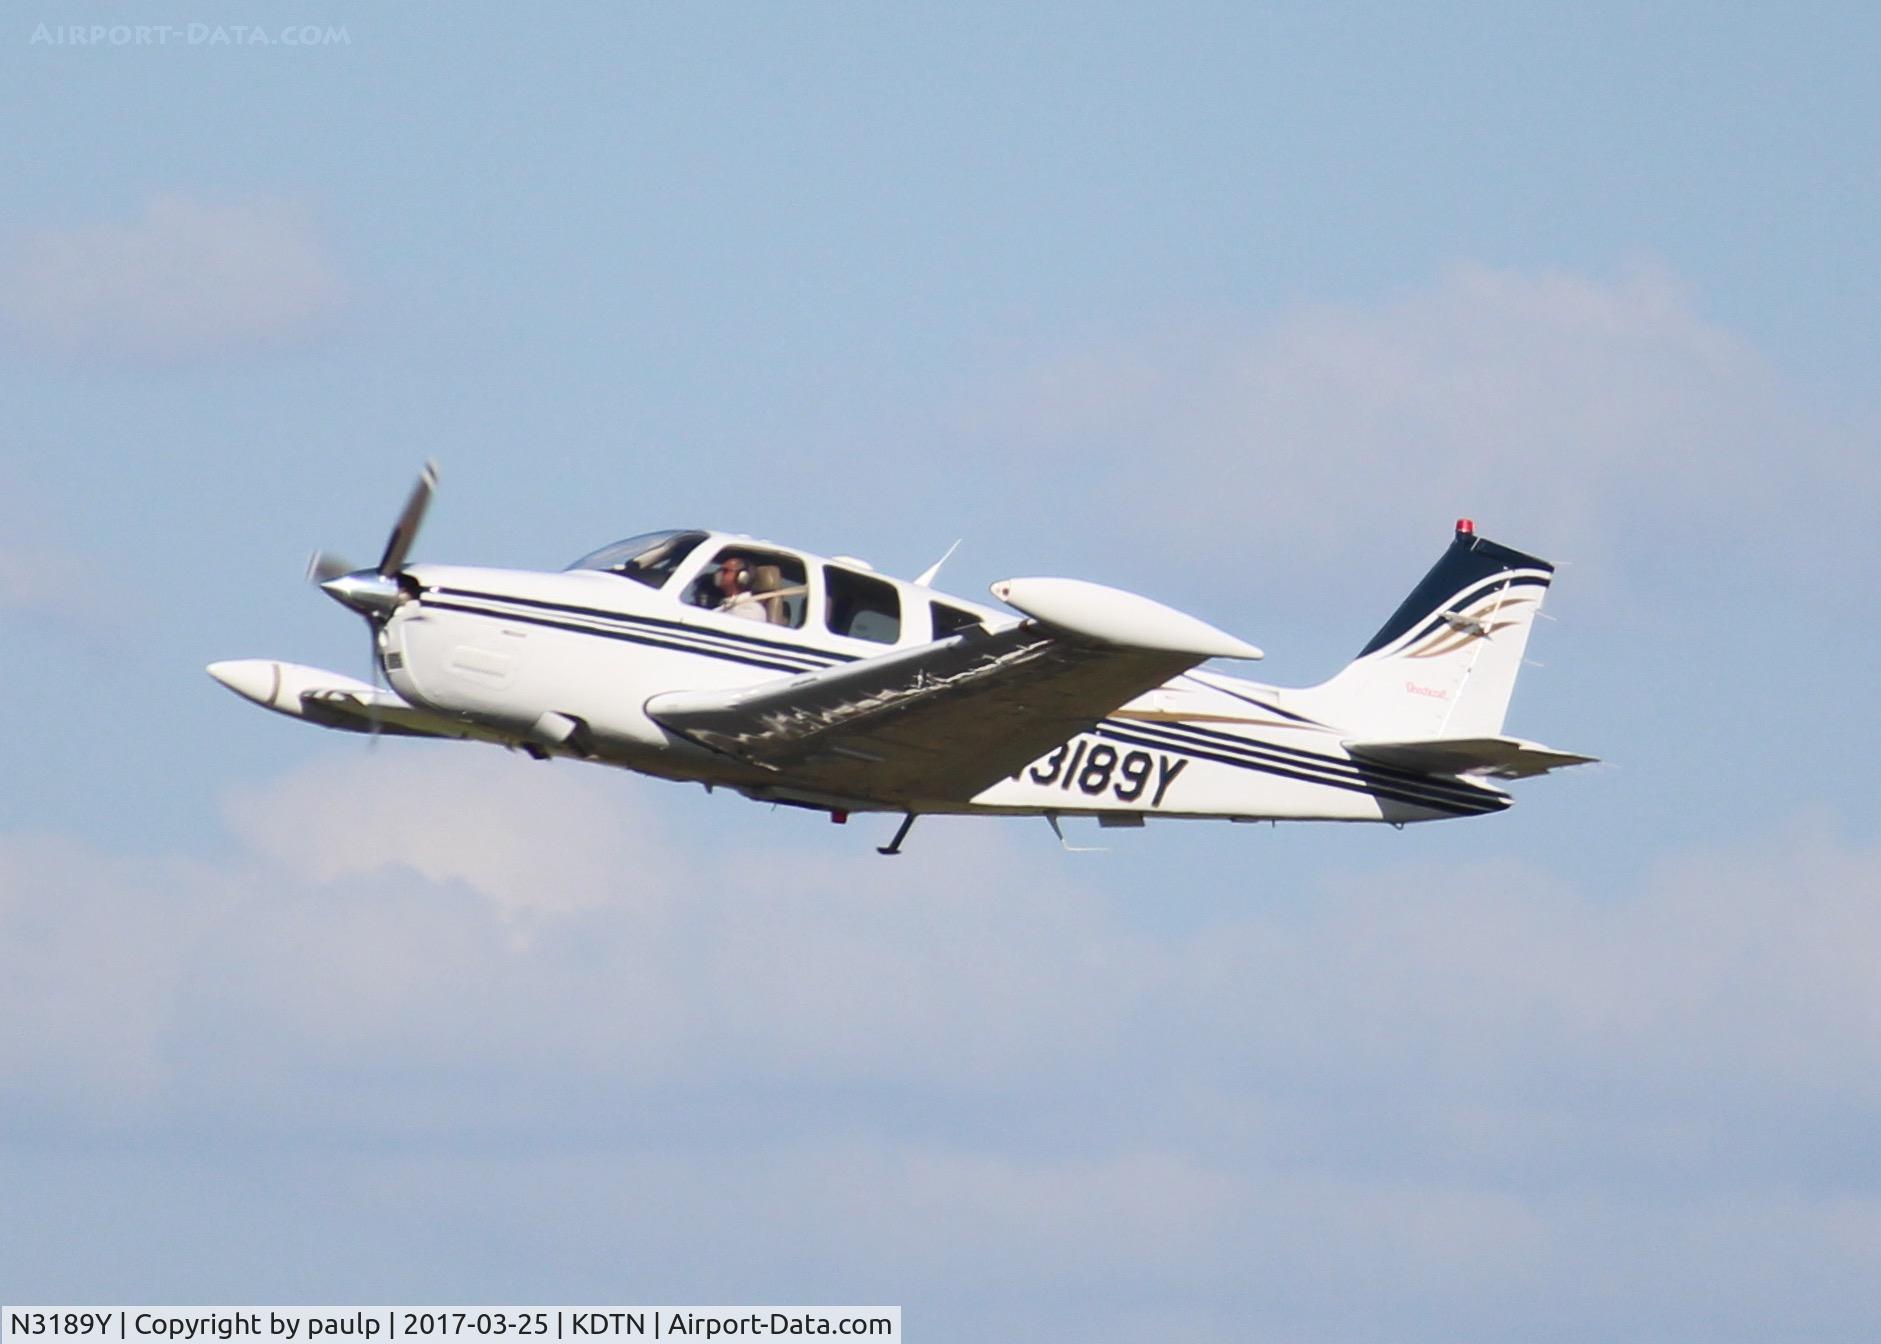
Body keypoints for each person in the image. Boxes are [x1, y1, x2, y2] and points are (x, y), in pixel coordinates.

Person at [711, 554, 767, 621]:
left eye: (725, 571)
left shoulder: (751, 610)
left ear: (742, 577)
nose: (719, 574)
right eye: (720, 570)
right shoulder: (723, 606)